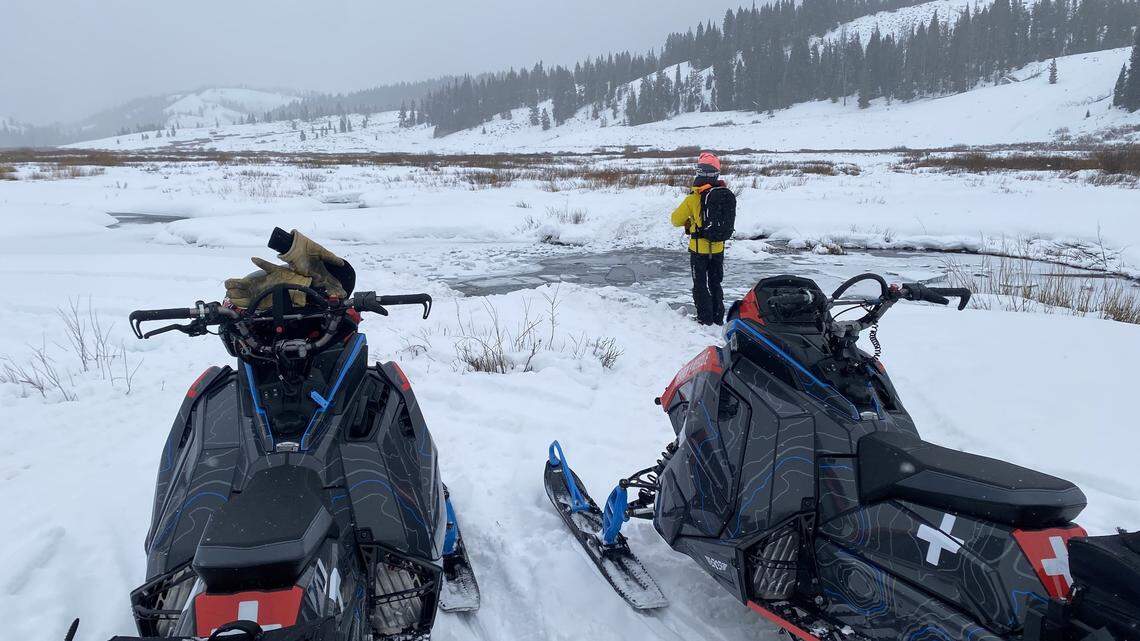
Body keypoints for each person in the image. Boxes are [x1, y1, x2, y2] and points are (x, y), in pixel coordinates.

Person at [670, 152, 734, 325]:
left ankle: (704, 320)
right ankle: (718, 319)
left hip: (699, 250)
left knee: (700, 285)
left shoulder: (693, 198)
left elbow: (675, 220)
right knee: (715, 283)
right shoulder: (724, 194)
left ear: (699, 172)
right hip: (719, 248)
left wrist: (690, 221)